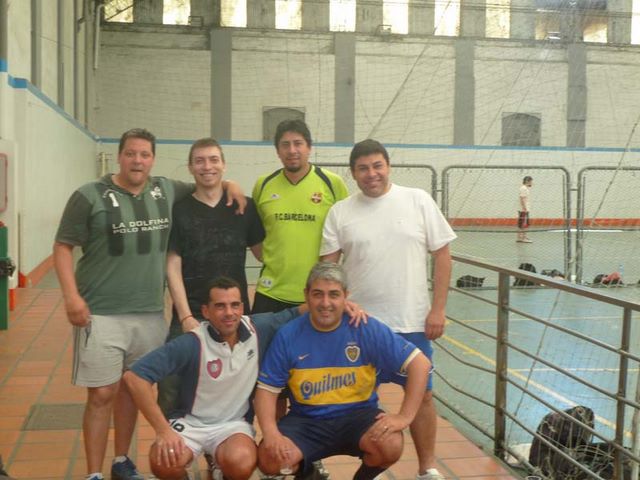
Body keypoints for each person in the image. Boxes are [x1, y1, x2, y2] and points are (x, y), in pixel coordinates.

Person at [53, 128, 246, 480]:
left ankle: (121, 461)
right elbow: (63, 246)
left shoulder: (165, 189)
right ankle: (93, 472)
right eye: (131, 153)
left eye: (144, 154)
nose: (137, 161)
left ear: (153, 159)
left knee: (132, 388)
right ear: (119, 156)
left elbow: (207, 181)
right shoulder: (89, 195)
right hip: (100, 314)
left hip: (150, 314)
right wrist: (71, 296)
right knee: (102, 394)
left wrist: (231, 184)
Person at [320, 139, 457, 480]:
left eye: (377, 165)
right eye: (363, 168)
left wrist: (438, 309)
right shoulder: (341, 212)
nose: (372, 173)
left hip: (411, 321)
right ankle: (374, 466)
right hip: (359, 324)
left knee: (422, 396)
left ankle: (427, 468)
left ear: (388, 166)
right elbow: (328, 269)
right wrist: (341, 303)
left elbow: (443, 255)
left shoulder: (418, 200)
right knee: (361, 399)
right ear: (353, 173)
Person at [255, 262, 430, 480]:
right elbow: (266, 391)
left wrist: (404, 417)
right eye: (318, 294)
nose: (325, 303)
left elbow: (420, 364)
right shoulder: (288, 335)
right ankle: (310, 474)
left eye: (334, 294)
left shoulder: (364, 327)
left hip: (358, 416)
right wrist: (271, 433)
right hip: (307, 419)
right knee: (270, 459)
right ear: (306, 295)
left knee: (391, 444)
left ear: (345, 296)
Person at [123, 277, 304, 480]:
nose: (229, 313)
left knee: (241, 462)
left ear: (242, 307)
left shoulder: (259, 328)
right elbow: (135, 377)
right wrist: (163, 430)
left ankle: (221, 469)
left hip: (232, 424)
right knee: (164, 462)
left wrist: (335, 299)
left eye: (234, 305)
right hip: (190, 424)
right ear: (206, 311)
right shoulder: (192, 342)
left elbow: (298, 312)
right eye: (220, 306)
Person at [159, 137, 264, 416]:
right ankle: (172, 438)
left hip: (234, 313)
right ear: (190, 167)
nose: (207, 167)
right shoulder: (179, 210)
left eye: (214, 160)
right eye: (200, 161)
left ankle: (232, 438)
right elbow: (173, 265)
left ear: (224, 165)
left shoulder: (244, 206)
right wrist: (185, 316)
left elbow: (264, 254)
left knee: (237, 385)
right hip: (192, 313)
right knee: (171, 385)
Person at [251, 119, 348, 313]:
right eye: (285, 145)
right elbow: (254, 233)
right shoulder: (263, 184)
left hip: (316, 294)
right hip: (270, 291)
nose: (292, 150)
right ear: (277, 151)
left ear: (309, 147)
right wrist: (273, 259)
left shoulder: (332, 184)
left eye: (298, 143)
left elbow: (345, 234)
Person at [517, 176, 533, 243]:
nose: (532, 183)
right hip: (523, 209)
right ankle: (523, 238)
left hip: (523, 209)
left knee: (521, 224)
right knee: (524, 224)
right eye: (531, 181)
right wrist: (524, 208)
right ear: (527, 181)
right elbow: (522, 198)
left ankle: (520, 237)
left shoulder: (524, 188)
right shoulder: (524, 188)